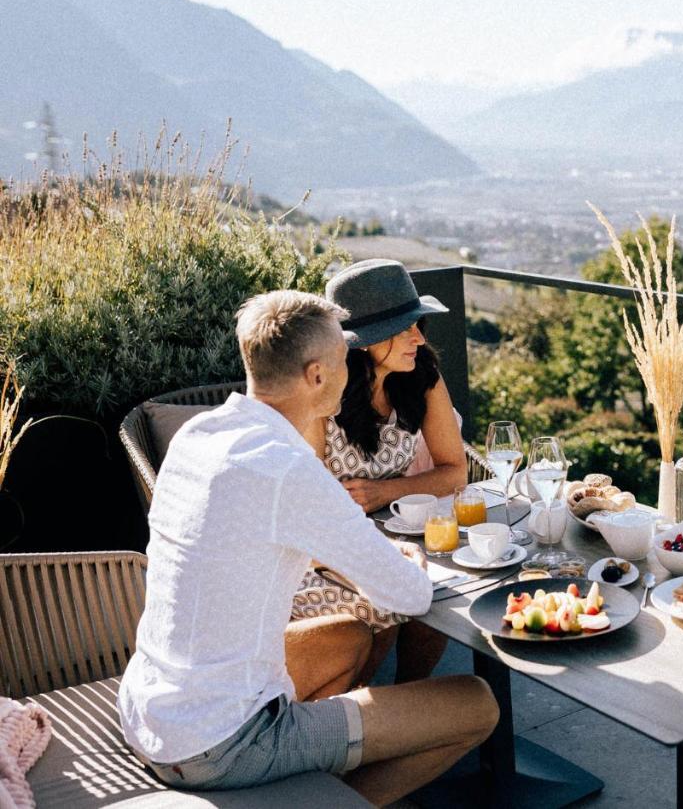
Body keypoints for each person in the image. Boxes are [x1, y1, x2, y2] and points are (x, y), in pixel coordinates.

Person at [117, 290, 497, 805]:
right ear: (317, 375)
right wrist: (407, 559)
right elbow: (411, 597)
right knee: (477, 704)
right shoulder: (289, 471)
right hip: (227, 741)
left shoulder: (199, 435)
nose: (350, 371)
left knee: (346, 636)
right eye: (344, 360)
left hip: (150, 711)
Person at [293, 259, 466, 685]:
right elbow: (307, 499)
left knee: (436, 599)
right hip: (322, 553)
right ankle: (357, 712)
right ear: (366, 341)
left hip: (397, 535)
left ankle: (408, 697)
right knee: (389, 606)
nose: (419, 337)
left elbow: (455, 471)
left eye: (417, 323)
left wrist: (384, 492)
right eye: (406, 328)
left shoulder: (421, 375)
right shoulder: (322, 395)